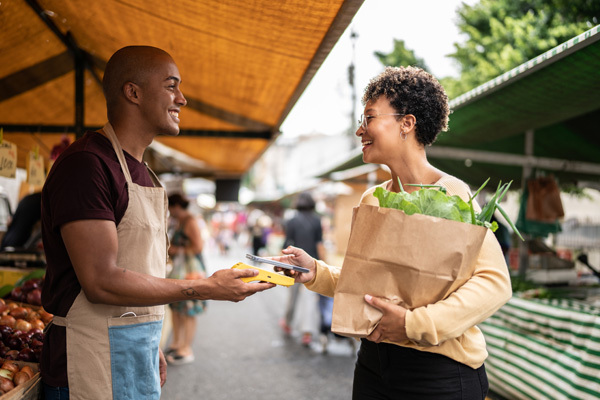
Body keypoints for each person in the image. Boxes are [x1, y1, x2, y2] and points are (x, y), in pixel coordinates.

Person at [40, 45, 274, 400]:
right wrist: (207, 288)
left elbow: (138, 269)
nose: (182, 99)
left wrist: (150, 341)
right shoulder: (87, 164)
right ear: (132, 92)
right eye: (171, 85)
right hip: (87, 365)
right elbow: (101, 282)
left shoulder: (146, 174)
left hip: (137, 351)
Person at [273, 66, 512, 399]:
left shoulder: (453, 193)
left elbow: (494, 284)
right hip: (374, 364)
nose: (360, 129)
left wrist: (414, 324)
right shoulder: (372, 198)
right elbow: (368, 285)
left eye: (369, 117)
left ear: (407, 123)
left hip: (439, 374)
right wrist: (315, 271)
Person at [166, 193, 207, 365]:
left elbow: (198, 247)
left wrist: (177, 250)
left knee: (189, 309)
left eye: (169, 207)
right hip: (181, 270)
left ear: (176, 206)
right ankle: (177, 343)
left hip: (191, 270)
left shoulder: (190, 221)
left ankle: (186, 348)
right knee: (176, 307)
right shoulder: (180, 221)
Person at [279, 192, 324, 347]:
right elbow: (319, 244)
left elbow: (286, 244)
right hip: (312, 264)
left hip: (294, 264)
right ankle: (307, 332)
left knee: (292, 296)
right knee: (309, 299)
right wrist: (324, 264)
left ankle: (287, 322)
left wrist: (281, 264)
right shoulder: (317, 220)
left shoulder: (292, 221)